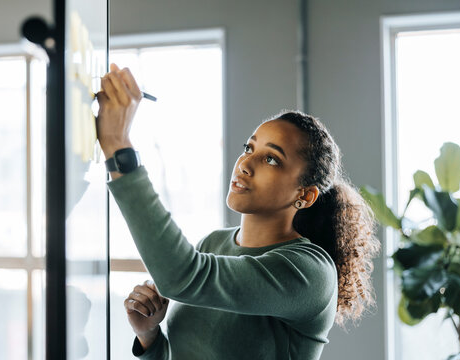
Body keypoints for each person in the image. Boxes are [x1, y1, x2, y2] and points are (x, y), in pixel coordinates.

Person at [96, 63, 381, 360]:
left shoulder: (310, 272)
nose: (245, 163)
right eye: (249, 148)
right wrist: (149, 336)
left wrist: (119, 149)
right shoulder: (213, 245)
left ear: (304, 195)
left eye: (271, 159)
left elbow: (181, 276)